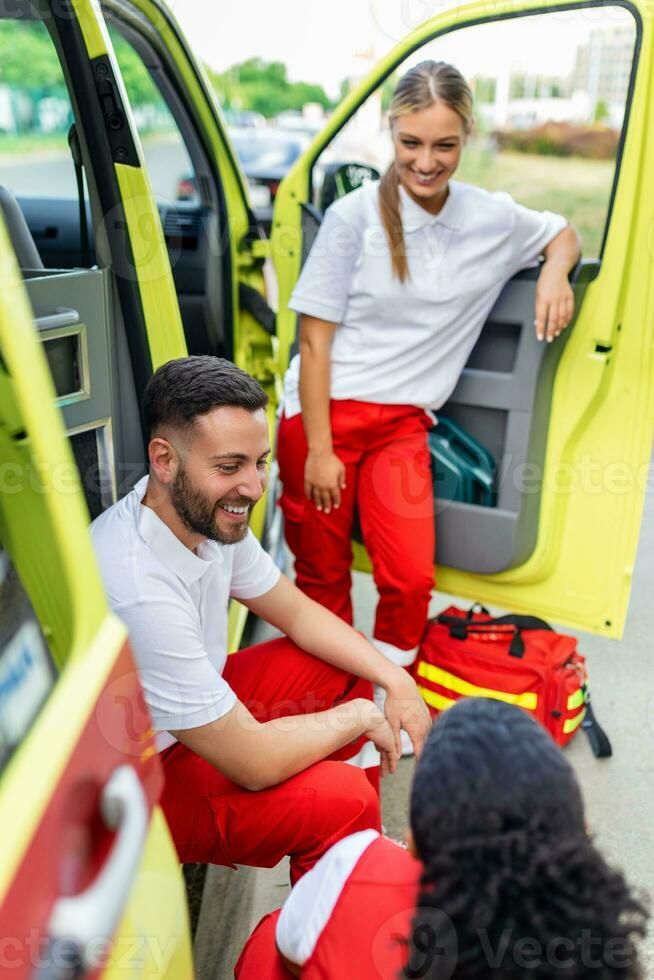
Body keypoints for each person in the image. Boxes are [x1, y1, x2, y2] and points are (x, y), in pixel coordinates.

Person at [277, 60, 582, 674]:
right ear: (391, 131)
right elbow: (313, 344)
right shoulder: (353, 218)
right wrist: (318, 449)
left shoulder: (491, 217)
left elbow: (564, 233)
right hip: (322, 418)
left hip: (402, 426)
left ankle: (394, 702)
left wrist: (554, 271)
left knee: (410, 580)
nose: (425, 161)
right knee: (323, 578)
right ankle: (331, 706)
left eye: (444, 145)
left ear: (468, 135)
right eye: (410, 143)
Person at [90, 355, 430, 883]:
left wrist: (395, 677)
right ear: (164, 460)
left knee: (344, 664)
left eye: (260, 463)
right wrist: (361, 717)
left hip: (189, 723)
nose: (253, 487)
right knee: (339, 799)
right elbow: (252, 761)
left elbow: (296, 613)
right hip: (140, 784)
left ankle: (350, 862)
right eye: (230, 467)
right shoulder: (138, 588)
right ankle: (333, 919)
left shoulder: (205, 515)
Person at [235, 698, 648, 979]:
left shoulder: (359, 865)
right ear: (579, 829)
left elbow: (289, 953)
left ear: (412, 842)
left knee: (268, 940)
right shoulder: (598, 949)